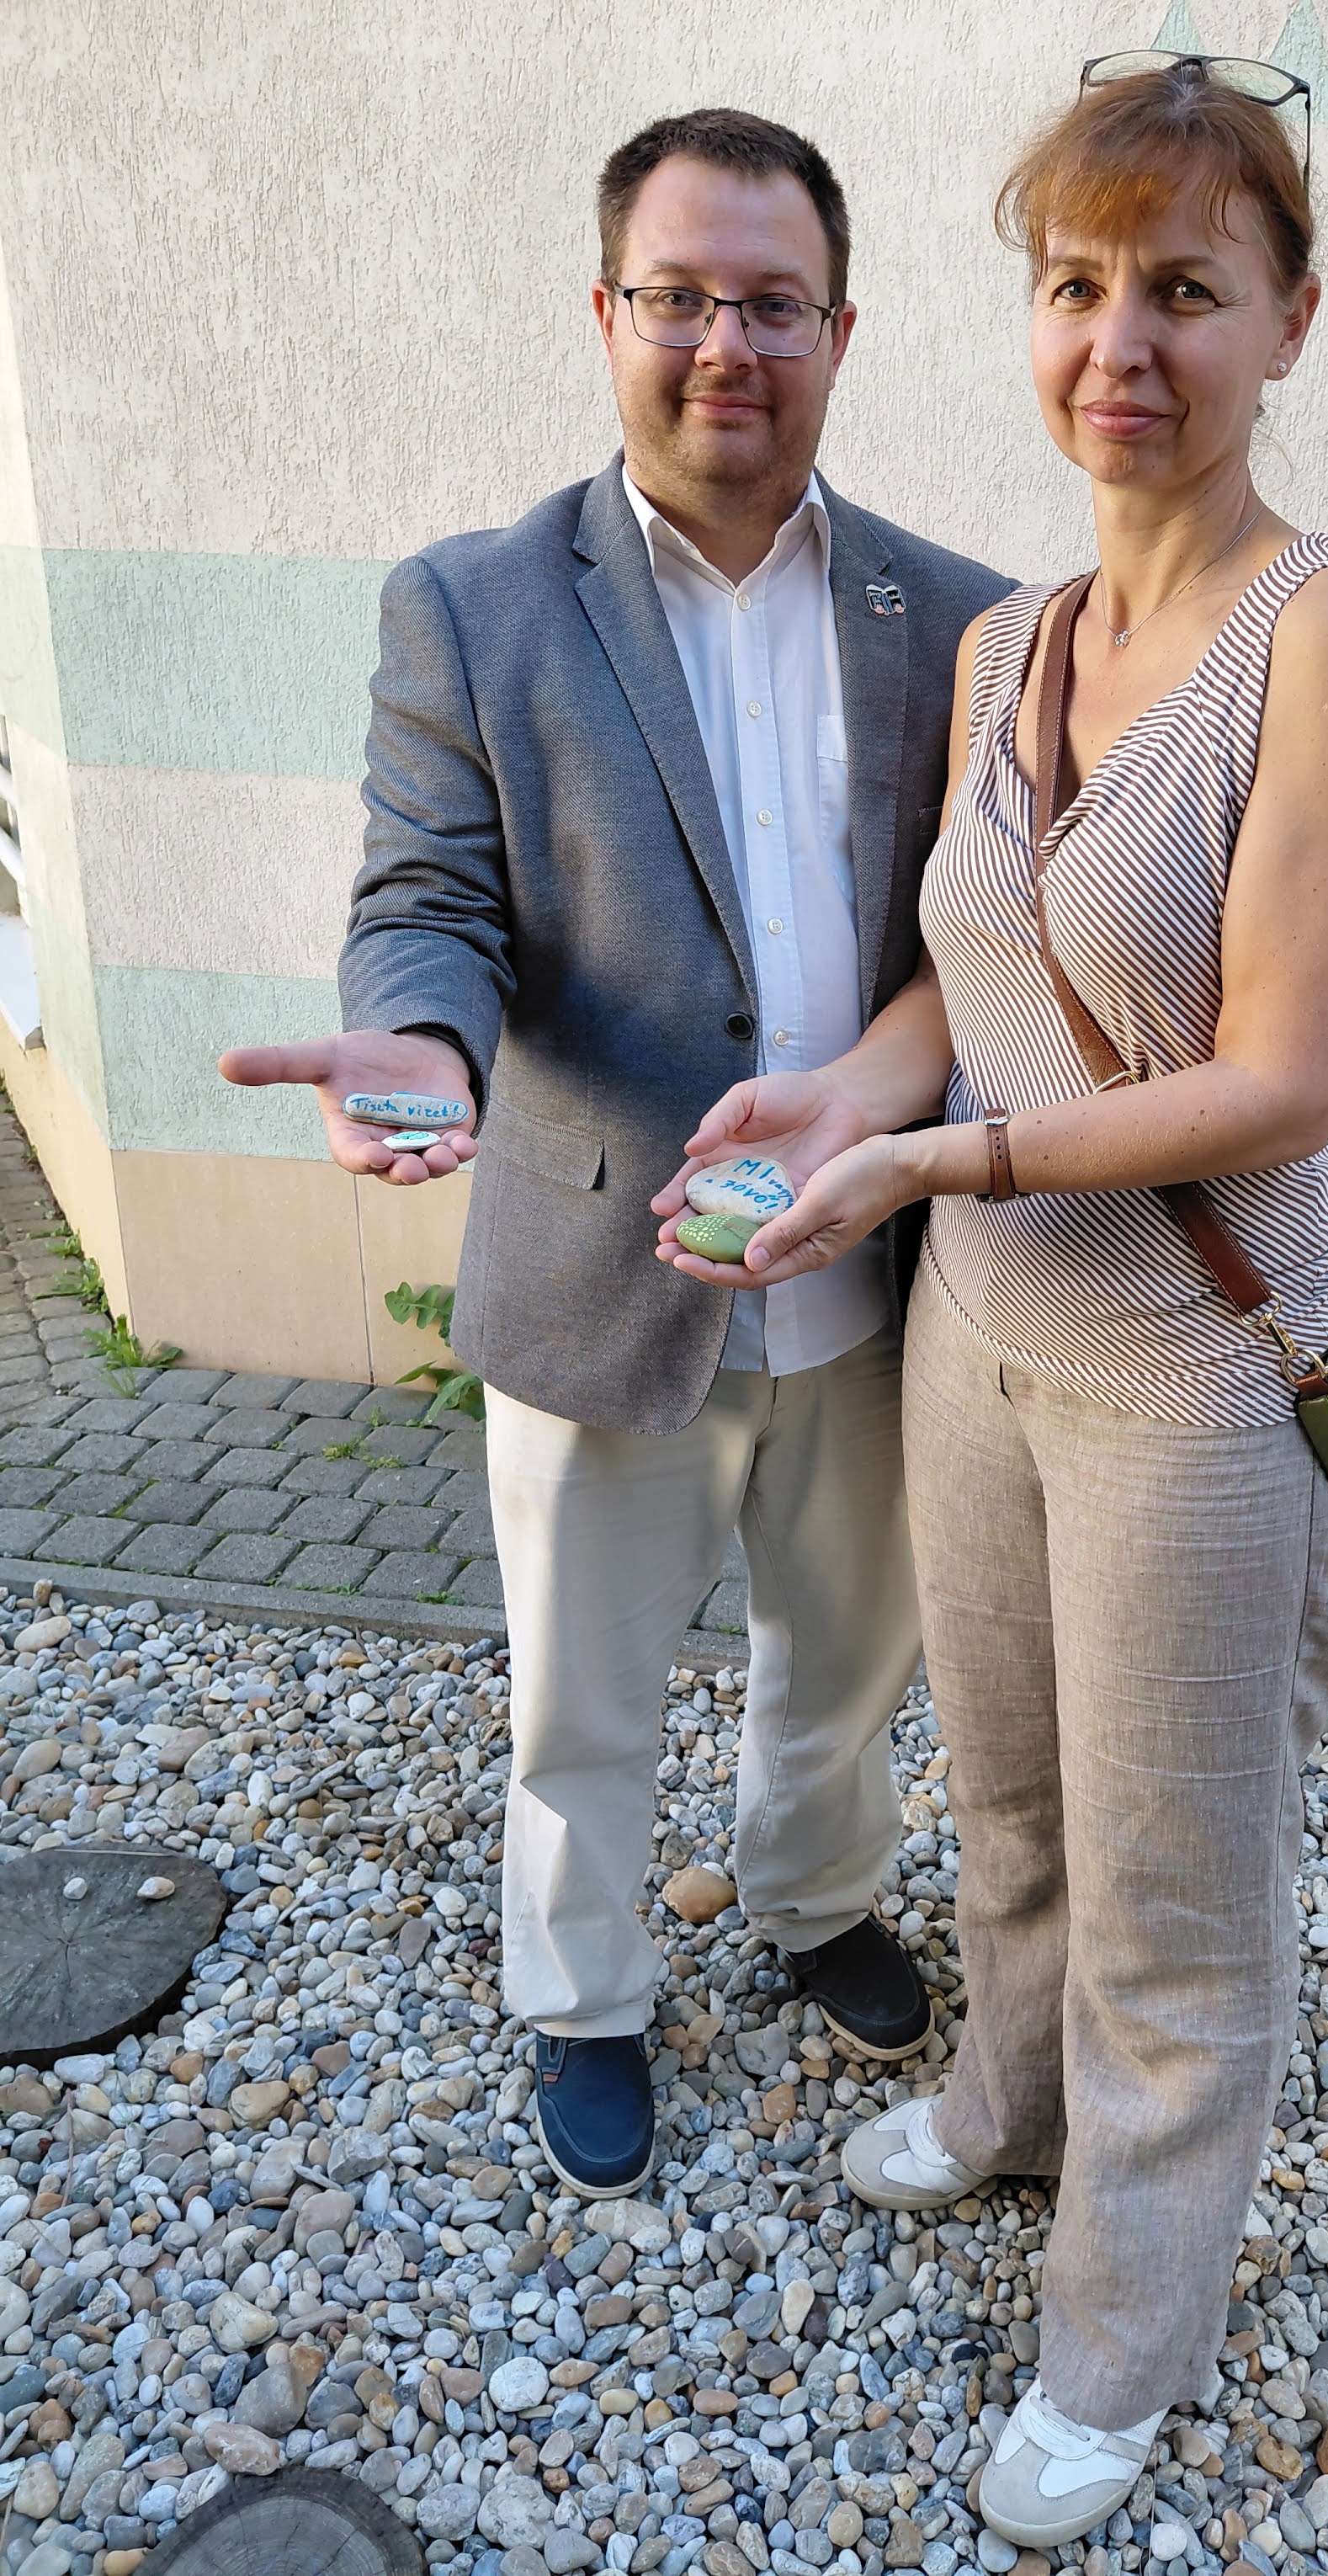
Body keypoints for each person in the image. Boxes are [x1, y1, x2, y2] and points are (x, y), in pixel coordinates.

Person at [656, 56, 1328, 2544]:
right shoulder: (1011, 642)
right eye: (1076, 284)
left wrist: (945, 1156)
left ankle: (1122, 2332)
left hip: (1192, 1373)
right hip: (976, 1339)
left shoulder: (1326, 639)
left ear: (1289, 319)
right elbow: (965, 981)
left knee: (1177, 1896)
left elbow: (1284, 1076)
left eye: (1184, 288)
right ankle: (1004, 2103)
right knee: (1000, 1797)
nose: (1121, 342)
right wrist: (835, 1101)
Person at [220, 108, 1011, 2201]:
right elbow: (429, 898)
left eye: (772, 303)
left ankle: (811, 1898)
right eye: (679, 296)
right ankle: (579, 1989)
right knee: (580, 1699)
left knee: (846, 1661)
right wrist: (416, 1044)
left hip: (875, 1272)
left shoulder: (964, 620)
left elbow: (982, 933)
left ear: (840, 331)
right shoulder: (475, 607)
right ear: (605, 314)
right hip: (599, 1268)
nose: (724, 342)